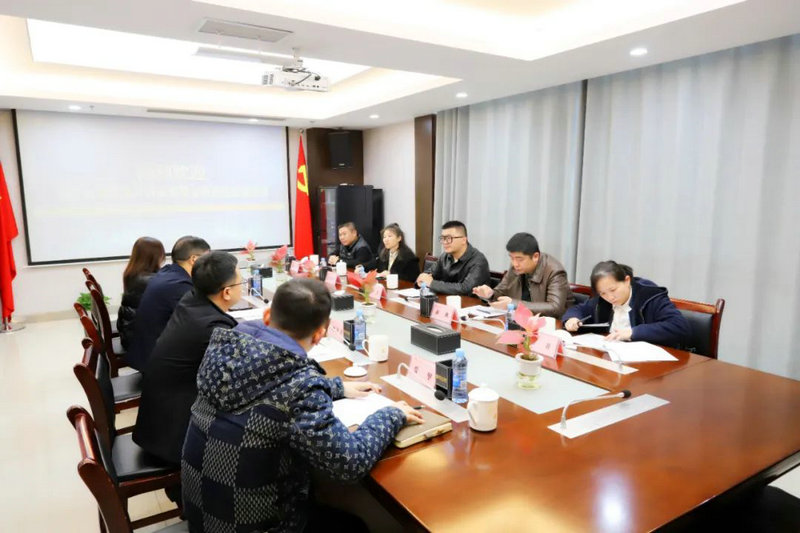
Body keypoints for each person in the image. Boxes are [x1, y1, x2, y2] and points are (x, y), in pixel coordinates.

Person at [182, 278, 423, 532]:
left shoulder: (224, 348)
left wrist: (335, 387)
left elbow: (261, 381)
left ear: (267, 316)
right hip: (257, 526)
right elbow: (350, 463)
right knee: (354, 526)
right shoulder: (301, 387)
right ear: (320, 334)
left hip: (203, 516)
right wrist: (391, 415)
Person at [133, 251, 241, 467]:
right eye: (241, 283)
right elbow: (238, 378)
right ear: (227, 292)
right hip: (174, 438)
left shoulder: (191, 300)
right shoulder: (213, 327)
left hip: (156, 424)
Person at [126, 235, 210, 371]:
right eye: (208, 259)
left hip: (148, 351)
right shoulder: (178, 285)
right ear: (194, 259)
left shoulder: (168, 273)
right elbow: (200, 322)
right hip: (158, 365)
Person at [561, 260, 690, 348]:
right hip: (611, 356)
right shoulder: (603, 299)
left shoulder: (650, 296)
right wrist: (572, 319)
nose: (610, 297)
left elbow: (680, 327)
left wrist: (633, 332)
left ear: (627, 281)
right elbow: (579, 309)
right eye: (603, 293)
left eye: (613, 290)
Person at [472, 232, 573, 318]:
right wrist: (490, 294)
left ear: (535, 256)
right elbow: (502, 291)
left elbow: (555, 307)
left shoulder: (554, 271)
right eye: (512, 258)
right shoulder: (515, 267)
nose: (515, 264)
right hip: (523, 319)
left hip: (554, 325)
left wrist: (513, 304)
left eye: (519, 259)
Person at [116, 237, 165, 351]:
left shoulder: (133, 273)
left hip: (130, 330)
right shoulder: (148, 280)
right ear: (153, 257)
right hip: (138, 339)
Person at [416, 220, 489, 295]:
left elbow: (466, 289)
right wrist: (422, 279)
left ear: (463, 240)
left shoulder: (478, 261)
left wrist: (432, 283)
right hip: (445, 299)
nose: (444, 242)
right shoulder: (445, 256)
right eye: (443, 238)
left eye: (449, 238)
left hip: (468, 301)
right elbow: (429, 273)